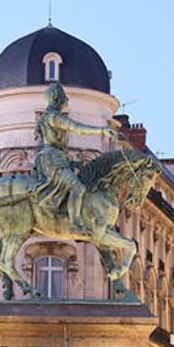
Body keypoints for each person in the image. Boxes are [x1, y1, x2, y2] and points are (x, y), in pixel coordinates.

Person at [30, 82, 118, 235]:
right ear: (58, 98)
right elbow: (77, 128)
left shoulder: (46, 117)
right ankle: (75, 223)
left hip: (54, 159)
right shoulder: (54, 117)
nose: (66, 101)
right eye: (64, 97)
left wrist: (71, 163)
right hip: (52, 160)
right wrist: (102, 131)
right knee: (78, 188)